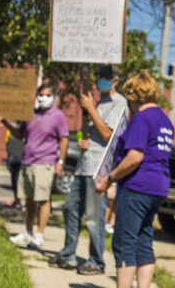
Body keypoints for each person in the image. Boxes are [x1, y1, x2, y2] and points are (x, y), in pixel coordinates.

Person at [95, 71, 173, 288]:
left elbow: (135, 157)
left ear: (132, 95)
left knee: (124, 243)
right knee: (144, 242)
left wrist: (110, 178)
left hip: (137, 187)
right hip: (158, 188)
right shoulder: (165, 120)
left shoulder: (141, 119)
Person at [50, 66, 127, 275]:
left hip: (98, 168)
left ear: (115, 81)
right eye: (100, 76)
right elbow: (94, 134)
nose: (102, 80)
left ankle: (96, 260)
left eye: (107, 77)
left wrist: (91, 109)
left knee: (94, 217)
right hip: (83, 166)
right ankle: (69, 253)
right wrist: (85, 141)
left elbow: (109, 135)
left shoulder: (120, 103)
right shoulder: (99, 101)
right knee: (70, 208)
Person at [2, 83, 69, 249]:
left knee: (43, 199)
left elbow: (64, 139)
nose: (43, 98)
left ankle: (39, 234)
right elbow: (20, 134)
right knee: (30, 200)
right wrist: (5, 123)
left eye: (47, 95)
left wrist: (60, 161)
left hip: (45, 163)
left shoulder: (58, 116)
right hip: (27, 162)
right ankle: (28, 231)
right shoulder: (30, 114)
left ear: (53, 97)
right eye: (40, 94)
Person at [4, 121, 25, 208]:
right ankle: (17, 200)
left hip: (24, 159)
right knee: (14, 181)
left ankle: (23, 201)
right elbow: (8, 142)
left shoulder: (28, 126)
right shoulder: (12, 126)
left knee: (22, 181)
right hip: (14, 158)